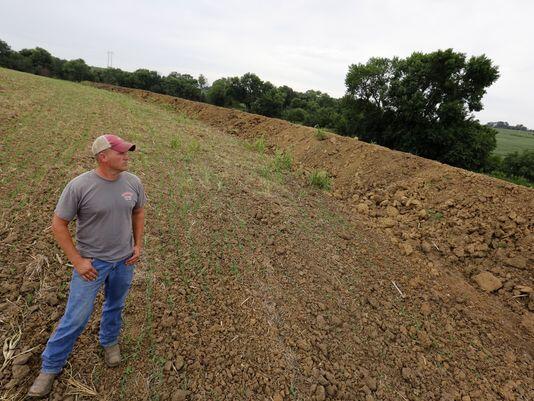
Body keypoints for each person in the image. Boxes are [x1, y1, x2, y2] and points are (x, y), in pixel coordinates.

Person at [28, 134, 146, 397]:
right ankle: (50, 366)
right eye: (122, 153)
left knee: (116, 304)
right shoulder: (79, 186)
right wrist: (78, 261)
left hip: (124, 260)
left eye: (127, 152)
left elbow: (138, 211)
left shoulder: (133, 182)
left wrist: (137, 245)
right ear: (103, 157)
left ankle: (109, 341)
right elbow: (58, 224)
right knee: (76, 317)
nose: (127, 156)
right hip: (93, 264)